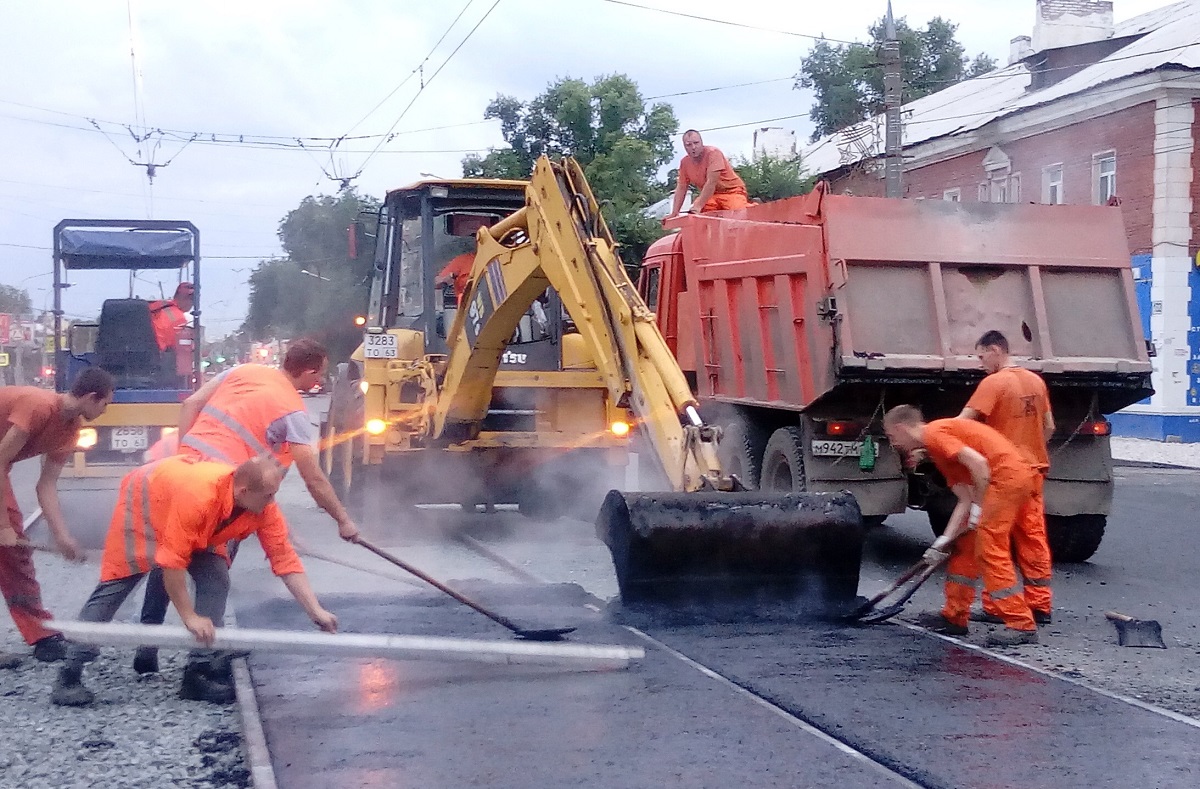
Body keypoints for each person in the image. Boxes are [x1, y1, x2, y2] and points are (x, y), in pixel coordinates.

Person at [134, 337, 357, 674]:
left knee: (172, 554)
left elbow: (191, 403)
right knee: (214, 574)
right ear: (310, 371)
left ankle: (146, 646)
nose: (319, 382)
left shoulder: (244, 371)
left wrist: (185, 454)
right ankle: (206, 657)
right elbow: (313, 479)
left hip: (182, 474)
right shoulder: (293, 409)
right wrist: (343, 520)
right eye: (319, 375)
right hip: (227, 491)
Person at [51, 455, 338, 706]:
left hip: (201, 524)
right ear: (243, 490)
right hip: (147, 506)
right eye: (268, 495)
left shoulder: (262, 506)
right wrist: (189, 616)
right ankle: (69, 674)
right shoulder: (200, 496)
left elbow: (284, 558)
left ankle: (197, 674)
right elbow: (171, 563)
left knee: (216, 579)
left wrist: (315, 611)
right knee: (116, 585)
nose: (273, 502)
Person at [883, 405, 1041, 647]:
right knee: (963, 546)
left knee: (989, 548)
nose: (894, 444)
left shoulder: (935, 434)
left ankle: (1020, 623)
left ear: (901, 428)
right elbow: (964, 499)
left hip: (1005, 480)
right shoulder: (938, 452)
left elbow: (979, 466)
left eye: (893, 437)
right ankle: (955, 616)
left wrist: (979, 508)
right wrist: (942, 542)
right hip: (997, 481)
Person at [0, 368, 114, 667]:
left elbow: (46, 485)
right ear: (91, 397)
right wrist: (3, 527)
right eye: (105, 404)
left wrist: (61, 535)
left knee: (15, 555)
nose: (104, 411)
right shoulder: (36, 406)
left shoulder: (70, 429)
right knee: (9, 543)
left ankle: (41, 634)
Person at [959, 330, 1055, 626]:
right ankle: (1040, 605)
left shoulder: (994, 383)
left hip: (1004, 475)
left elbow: (962, 424)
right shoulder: (1035, 381)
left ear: (995, 349)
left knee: (994, 540)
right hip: (1033, 472)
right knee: (1033, 537)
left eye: (980, 355)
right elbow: (1049, 427)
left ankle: (998, 606)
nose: (979, 363)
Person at [665, 130, 750, 219]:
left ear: (702, 142)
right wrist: (674, 213)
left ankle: (756, 209)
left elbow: (711, 182)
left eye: (696, 143)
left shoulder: (713, 153)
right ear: (684, 146)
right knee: (701, 216)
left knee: (738, 214)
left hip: (732, 191)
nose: (693, 147)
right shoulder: (684, 162)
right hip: (710, 196)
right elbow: (682, 187)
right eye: (689, 145)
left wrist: (698, 205)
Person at [149, 282, 194, 352]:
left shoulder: (158, 305)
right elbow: (177, 346)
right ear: (189, 300)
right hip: (158, 356)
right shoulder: (179, 319)